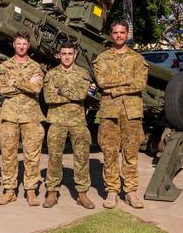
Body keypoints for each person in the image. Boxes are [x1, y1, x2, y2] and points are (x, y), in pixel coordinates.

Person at [93, 20, 149, 209]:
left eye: (122, 32)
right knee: (109, 152)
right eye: (115, 32)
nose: (118, 35)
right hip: (109, 113)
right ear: (111, 34)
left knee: (131, 152)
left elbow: (140, 84)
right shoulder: (102, 59)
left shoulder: (137, 59)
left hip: (131, 112)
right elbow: (102, 82)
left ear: (127, 34)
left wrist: (116, 89)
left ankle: (131, 191)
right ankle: (112, 190)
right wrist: (127, 82)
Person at [42, 41, 95, 209]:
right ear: (59, 55)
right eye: (63, 54)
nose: (66, 57)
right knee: (54, 158)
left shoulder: (82, 73)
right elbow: (48, 98)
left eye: (70, 54)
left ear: (75, 55)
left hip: (77, 122)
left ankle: (82, 194)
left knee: (81, 158)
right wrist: (68, 93)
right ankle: (52, 192)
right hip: (56, 122)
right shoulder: (51, 74)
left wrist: (60, 90)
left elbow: (81, 95)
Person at [0, 31, 45, 207]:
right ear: (14, 45)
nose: (21, 47)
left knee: (32, 155)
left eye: (24, 44)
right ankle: (10, 190)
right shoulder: (4, 66)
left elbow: (36, 89)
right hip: (9, 116)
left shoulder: (35, 67)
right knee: (8, 155)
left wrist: (15, 82)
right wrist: (26, 83)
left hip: (30, 116)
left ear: (28, 46)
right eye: (18, 44)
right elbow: (3, 90)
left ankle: (30, 190)